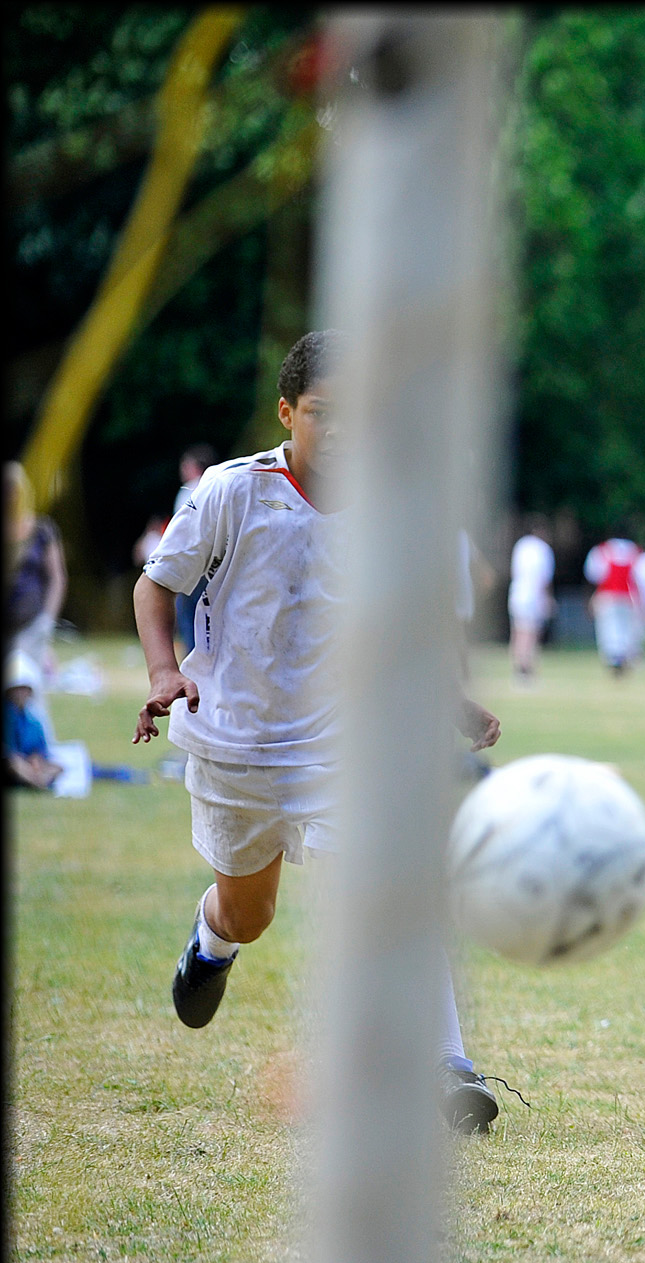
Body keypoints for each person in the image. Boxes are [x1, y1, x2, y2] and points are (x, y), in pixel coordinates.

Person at [131, 331, 507, 1134]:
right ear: (287, 413)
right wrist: (165, 674)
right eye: (320, 412)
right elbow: (154, 587)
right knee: (250, 912)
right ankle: (211, 940)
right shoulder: (233, 491)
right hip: (234, 747)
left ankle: (448, 1066)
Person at [6, 459, 67, 745]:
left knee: (30, 689)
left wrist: (48, 619)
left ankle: (41, 748)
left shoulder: (41, 529)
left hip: (31, 623)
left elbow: (57, 576)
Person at [172, 445, 216, 656]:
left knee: (187, 615)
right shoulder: (217, 487)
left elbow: (181, 532)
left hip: (192, 563)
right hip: (214, 563)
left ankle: (191, 659)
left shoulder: (189, 491)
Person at [584, 532, 644, 675]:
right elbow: (640, 577)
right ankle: (624, 657)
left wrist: (590, 597)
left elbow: (594, 575)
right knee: (626, 630)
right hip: (628, 597)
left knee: (608, 629)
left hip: (607, 595)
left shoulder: (601, 550)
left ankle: (613, 659)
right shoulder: (635, 551)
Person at [5, 650, 62, 790]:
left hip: (27, 764)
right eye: (16, 689)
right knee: (13, 763)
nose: (20, 694)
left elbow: (40, 749)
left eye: (23, 689)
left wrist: (35, 760)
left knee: (57, 767)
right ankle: (38, 783)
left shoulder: (34, 720)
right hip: (12, 764)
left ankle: (34, 780)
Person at [507, 517, 555, 681]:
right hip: (534, 595)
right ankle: (526, 667)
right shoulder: (543, 549)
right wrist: (548, 598)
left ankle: (518, 665)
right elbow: (544, 578)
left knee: (518, 631)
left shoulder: (520, 545)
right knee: (531, 632)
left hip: (517, 592)